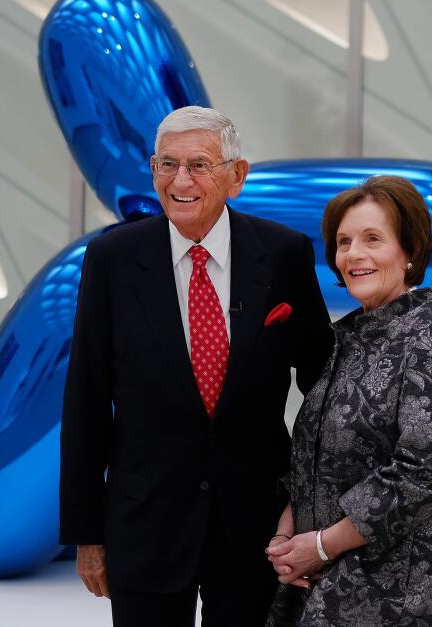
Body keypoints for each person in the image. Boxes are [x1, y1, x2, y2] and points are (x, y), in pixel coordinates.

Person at [59, 106, 334, 627]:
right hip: (145, 521)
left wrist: (313, 504)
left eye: (199, 165)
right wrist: (87, 535)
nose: (180, 180)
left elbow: (322, 391)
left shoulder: (283, 255)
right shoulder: (112, 260)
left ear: (237, 175)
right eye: (168, 165)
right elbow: (86, 401)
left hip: (257, 525)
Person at [265, 176, 432, 626]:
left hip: (407, 595)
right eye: (344, 242)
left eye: (373, 239)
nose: (354, 254)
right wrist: (287, 535)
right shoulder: (350, 339)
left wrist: (319, 547)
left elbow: (423, 470)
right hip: (336, 579)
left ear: (409, 251)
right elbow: (321, 455)